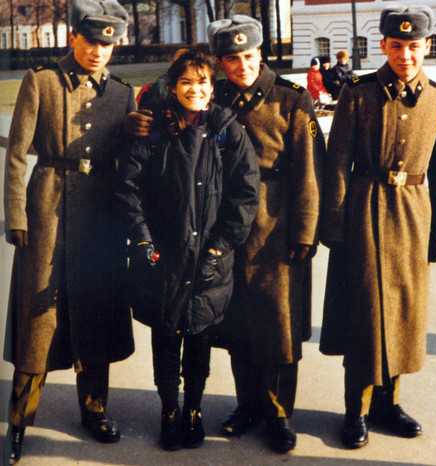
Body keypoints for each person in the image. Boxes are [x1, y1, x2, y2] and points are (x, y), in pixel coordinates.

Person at [319, 3, 436, 450]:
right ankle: (355, 410)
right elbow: (338, 161)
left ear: (427, 46)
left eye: (414, 46)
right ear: (382, 45)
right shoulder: (357, 94)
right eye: (396, 46)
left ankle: (388, 404)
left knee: (401, 316)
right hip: (364, 211)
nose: (406, 55)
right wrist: (335, 223)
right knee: (364, 316)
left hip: (414, 217)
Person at [2, 0, 135, 463]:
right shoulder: (41, 81)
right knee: (36, 319)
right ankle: (20, 420)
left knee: (95, 311)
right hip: (48, 207)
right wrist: (16, 215)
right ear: (73, 37)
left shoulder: (121, 93)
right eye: (91, 40)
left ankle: (94, 411)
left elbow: (127, 162)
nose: (99, 50)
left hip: (100, 212)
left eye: (108, 43)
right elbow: (17, 153)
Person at [115, 48, 259, 451]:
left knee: (199, 335)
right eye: (186, 83)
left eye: (203, 82)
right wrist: (142, 237)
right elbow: (129, 189)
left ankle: (193, 409)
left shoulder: (227, 130)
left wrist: (220, 249)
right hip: (165, 255)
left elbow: (244, 196)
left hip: (209, 257)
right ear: (173, 87)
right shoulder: (155, 130)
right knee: (165, 334)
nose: (195, 90)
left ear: (212, 88)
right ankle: (169, 409)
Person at [207, 15, 325, 453]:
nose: (242, 66)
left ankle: (278, 414)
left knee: (279, 325)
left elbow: (312, 171)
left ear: (262, 54)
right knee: (236, 321)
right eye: (232, 59)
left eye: (249, 56)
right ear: (221, 63)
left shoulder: (291, 99)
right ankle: (248, 405)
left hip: (276, 228)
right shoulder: (213, 98)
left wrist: (305, 231)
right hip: (226, 226)